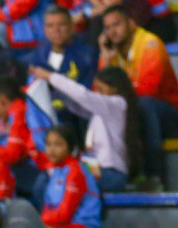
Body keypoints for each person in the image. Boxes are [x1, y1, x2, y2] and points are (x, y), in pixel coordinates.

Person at [98, 5, 178, 189]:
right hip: (137, 115)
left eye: (117, 24)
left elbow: (148, 90)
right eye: (107, 28)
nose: (112, 32)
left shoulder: (150, 45)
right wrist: (105, 61)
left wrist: (116, 92)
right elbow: (100, 94)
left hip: (173, 119)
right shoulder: (111, 53)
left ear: (131, 23)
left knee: (144, 105)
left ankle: (154, 176)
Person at [33, 64, 136, 194]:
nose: (97, 93)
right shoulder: (102, 111)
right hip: (97, 170)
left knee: (58, 179)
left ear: (114, 88)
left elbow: (83, 95)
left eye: (100, 88)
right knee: (48, 177)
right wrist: (56, 92)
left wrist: (50, 76)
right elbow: (78, 106)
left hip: (111, 175)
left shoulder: (118, 104)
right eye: (96, 89)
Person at [0, 72, 52, 198]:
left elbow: (13, 153)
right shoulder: (10, 115)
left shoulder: (18, 111)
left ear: (2, 100)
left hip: (37, 170)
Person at [39, 124, 101, 228]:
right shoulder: (56, 171)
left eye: (58, 144)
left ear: (70, 147)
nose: (51, 150)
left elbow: (64, 214)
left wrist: (38, 221)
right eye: (48, 144)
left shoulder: (75, 171)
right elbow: (48, 207)